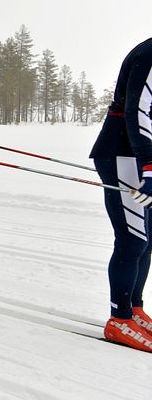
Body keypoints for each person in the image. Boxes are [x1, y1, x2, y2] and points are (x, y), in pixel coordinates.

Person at [90, 37, 152, 352]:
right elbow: (138, 114)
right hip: (124, 155)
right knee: (132, 239)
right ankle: (119, 319)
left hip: (138, 157)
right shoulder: (150, 54)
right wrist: (149, 167)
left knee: (147, 239)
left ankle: (135, 310)